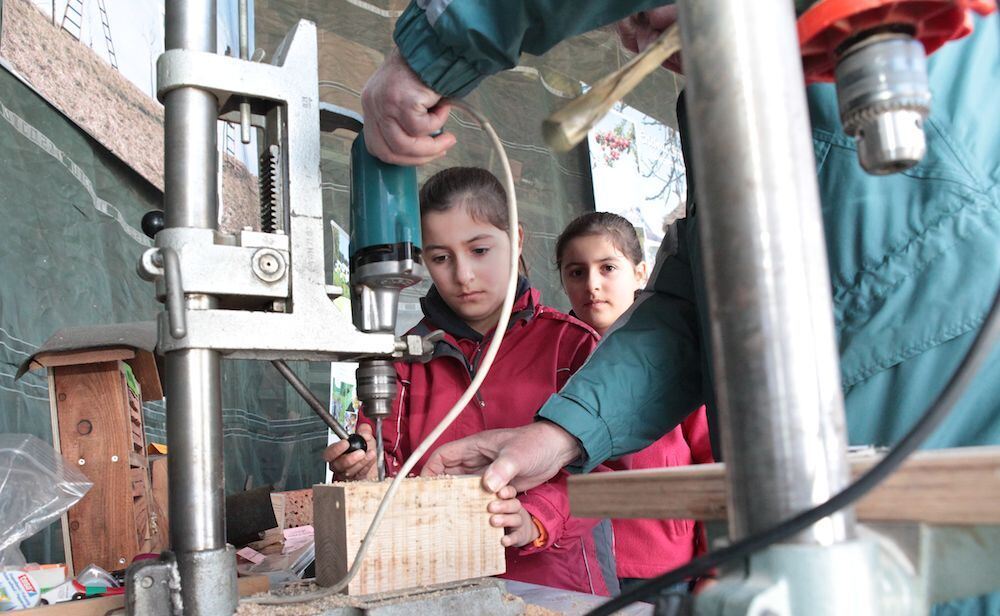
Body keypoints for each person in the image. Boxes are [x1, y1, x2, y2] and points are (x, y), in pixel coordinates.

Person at [359, 3, 1000, 613]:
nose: (630, 39)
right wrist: (557, 436)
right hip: (817, 546)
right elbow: (700, 311)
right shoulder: (746, 101)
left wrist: (432, 53)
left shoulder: (897, 75)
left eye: (637, 10)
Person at [323, 166, 618, 596]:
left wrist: (537, 515)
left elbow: (607, 472)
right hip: (438, 585)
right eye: (440, 258)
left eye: (480, 250)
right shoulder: (405, 358)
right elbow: (385, 464)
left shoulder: (571, 347)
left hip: (559, 586)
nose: (463, 276)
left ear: (516, 239)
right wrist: (362, 470)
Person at [555, 212, 714, 596]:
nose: (592, 285)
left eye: (607, 267)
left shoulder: (676, 358)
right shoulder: (555, 355)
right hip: (578, 567)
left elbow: (714, 464)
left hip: (663, 569)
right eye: (576, 272)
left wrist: (716, 567)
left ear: (642, 273)